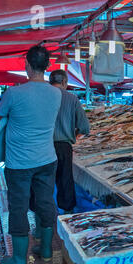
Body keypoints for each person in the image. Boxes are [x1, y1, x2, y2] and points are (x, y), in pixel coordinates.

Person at [0, 45, 62, 264]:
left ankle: (20, 260)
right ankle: (46, 250)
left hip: (19, 164)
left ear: (27, 65)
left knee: (18, 207)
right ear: (48, 66)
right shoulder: (56, 93)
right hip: (46, 159)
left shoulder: (14, 93)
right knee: (45, 202)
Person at [49, 69, 90, 215]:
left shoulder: (41, 98)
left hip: (43, 145)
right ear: (64, 82)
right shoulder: (72, 99)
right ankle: (68, 213)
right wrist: (74, 134)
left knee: (43, 181)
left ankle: (43, 217)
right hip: (63, 146)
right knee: (65, 180)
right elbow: (85, 127)